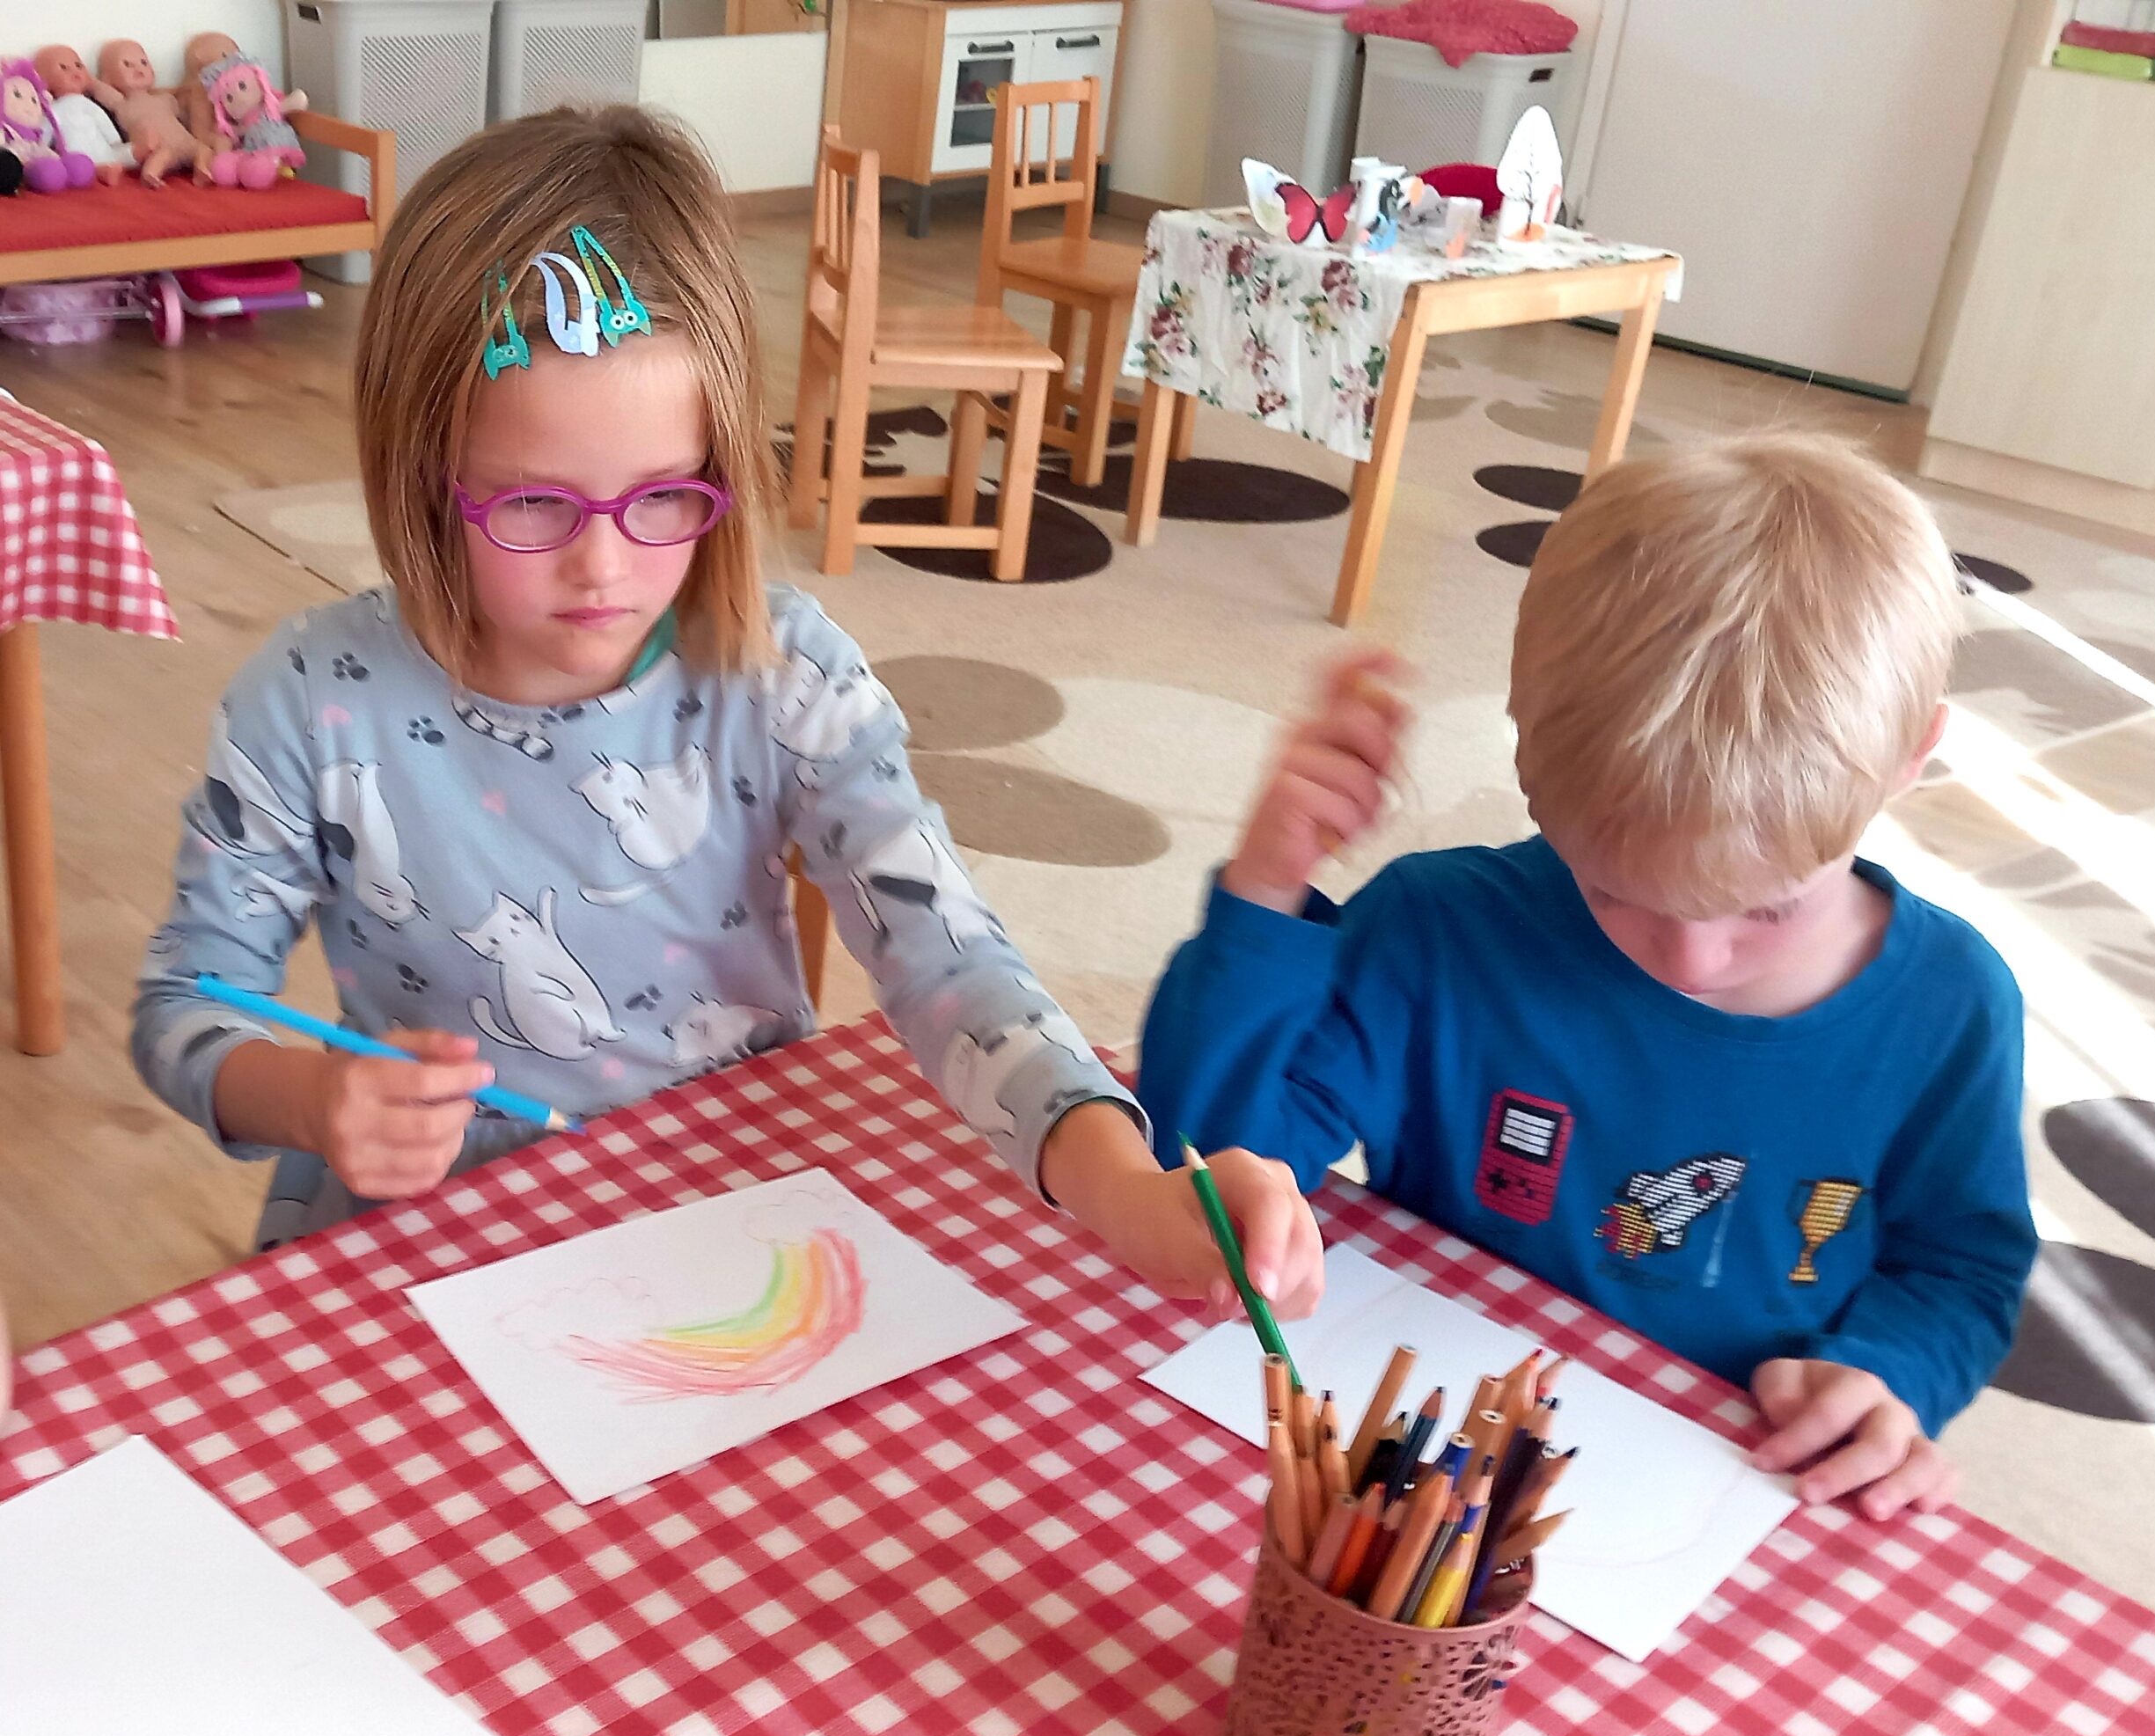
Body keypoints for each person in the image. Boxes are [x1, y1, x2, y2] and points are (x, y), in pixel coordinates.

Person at [130, 105, 1316, 1317]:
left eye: (664, 497)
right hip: (430, 1247)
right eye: (533, 504)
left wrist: (1127, 1189)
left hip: (729, 1232)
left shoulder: (786, 675)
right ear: (421, 478)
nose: (603, 568)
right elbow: (186, 1003)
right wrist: (312, 1101)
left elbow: (950, 960)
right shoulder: (310, 701)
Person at [1140, 435, 2038, 1520]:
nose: (1690, 960)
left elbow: (1957, 1270)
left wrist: (1886, 1376)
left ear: (1912, 756)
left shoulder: (1949, 1007)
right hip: (1421, 1467)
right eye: (1615, 892)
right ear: (1523, 748)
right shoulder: (1441, 930)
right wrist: (1263, 897)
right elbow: (1204, 1173)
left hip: (1729, 1488)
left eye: (1767, 907)